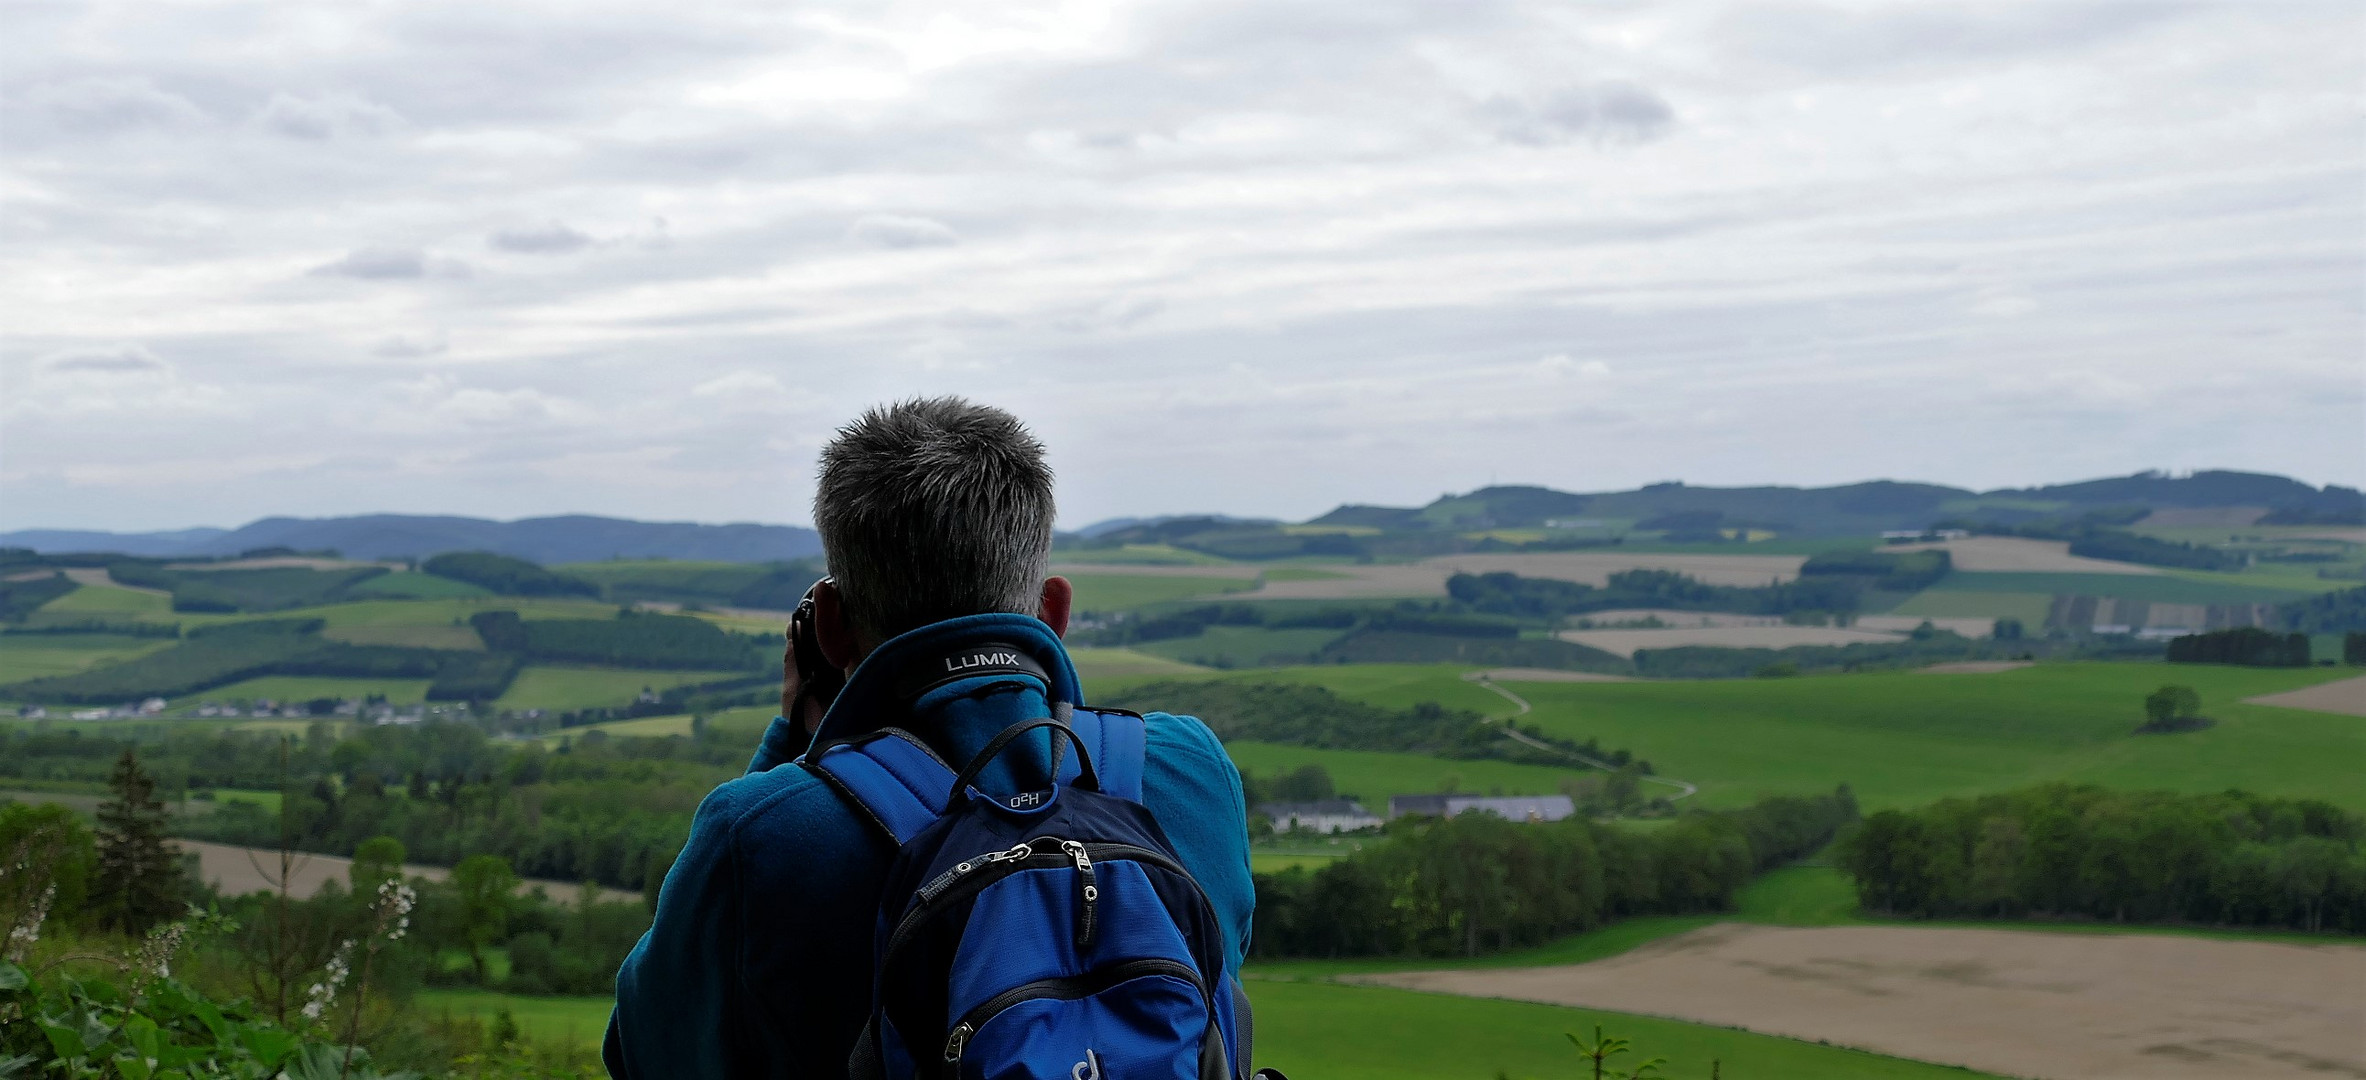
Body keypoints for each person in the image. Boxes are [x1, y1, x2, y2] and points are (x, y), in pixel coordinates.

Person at [604, 397, 1256, 1079]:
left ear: (828, 624)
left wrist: (795, 741)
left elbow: (643, 1053)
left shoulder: (758, 836)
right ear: (1053, 611)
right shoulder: (1188, 770)